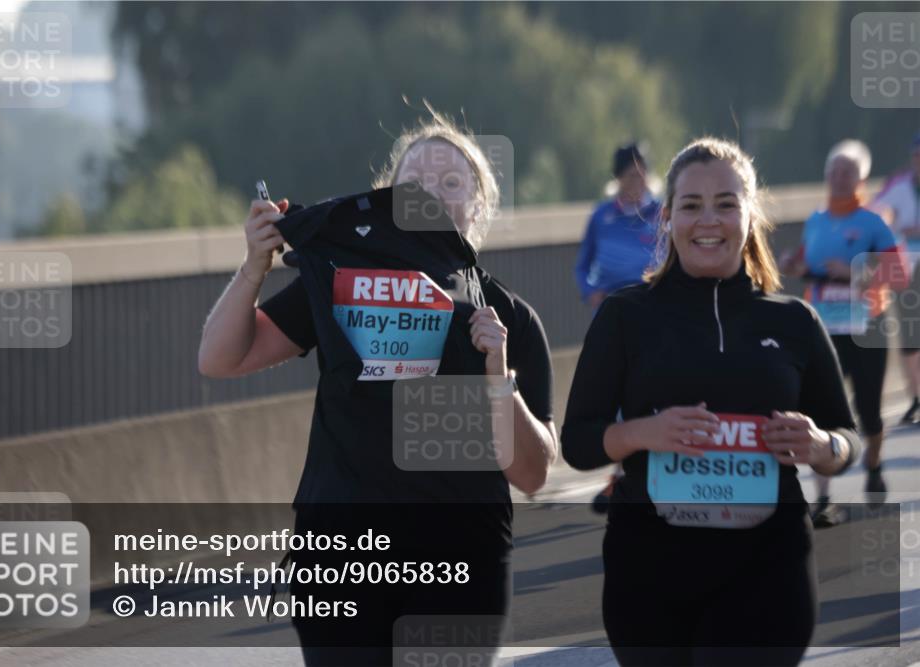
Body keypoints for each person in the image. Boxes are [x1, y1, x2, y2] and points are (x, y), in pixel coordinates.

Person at [198, 110, 557, 665]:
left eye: (451, 182)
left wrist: (497, 375)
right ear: (388, 199)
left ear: (480, 207)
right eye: (414, 184)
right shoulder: (343, 281)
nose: (430, 195)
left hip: (460, 559)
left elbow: (531, 474)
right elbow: (222, 359)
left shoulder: (510, 318)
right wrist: (254, 268)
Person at [561, 137, 863, 666]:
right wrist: (643, 433)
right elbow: (578, 443)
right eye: (691, 205)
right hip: (649, 572)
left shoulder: (794, 321)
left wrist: (822, 445)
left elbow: (847, 439)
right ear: (668, 218)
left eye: (726, 204)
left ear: (750, 216)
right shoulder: (626, 316)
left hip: (769, 570)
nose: (708, 221)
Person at [780, 139, 908, 528]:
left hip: (865, 326)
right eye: (833, 171)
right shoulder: (816, 220)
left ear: (862, 179)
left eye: (847, 172)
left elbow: (899, 275)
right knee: (820, 410)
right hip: (823, 328)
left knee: (869, 412)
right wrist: (791, 263)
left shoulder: (873, 223)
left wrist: (854, 272)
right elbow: (803, 260)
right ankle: (824, 498)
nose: (838, 178)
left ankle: (874, 463)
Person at [574, 142, 660, 513]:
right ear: (617, 178)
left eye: (641, 174)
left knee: (646, 393)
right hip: (610, 314)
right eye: (629, 175)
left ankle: (629, 476)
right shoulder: (601, 216)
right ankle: (622, 476)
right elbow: (582, 266)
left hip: (651, 311)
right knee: (615, 393)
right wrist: (589, 291)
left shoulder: (661, 212)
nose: (636, 181)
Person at [870, 132, 920, 424]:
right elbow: (876, 213)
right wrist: (892, 223)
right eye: (916, 156)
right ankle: (916, 397)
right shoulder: (898, 186)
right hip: (905, 268)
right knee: (911, 335)